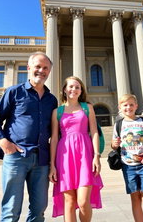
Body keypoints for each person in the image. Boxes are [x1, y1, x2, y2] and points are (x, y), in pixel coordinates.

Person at [0, 52, 58, 222]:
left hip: (41, 160)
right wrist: (3, 142)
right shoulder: (14, 92)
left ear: (49, 72)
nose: (41, 70)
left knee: (39, 209)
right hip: (16, 157)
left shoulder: (52, 100)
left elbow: (55, 131)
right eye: (38, 67)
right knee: (11, 209)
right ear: (29, 68)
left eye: (45, 68)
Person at [49, 76, 103, 221]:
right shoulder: (57, 112)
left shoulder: (87, 107)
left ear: (81, 91)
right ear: (65, 90)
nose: (74, 89)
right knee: (69, 202)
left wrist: (97, 156)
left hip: (85, 156)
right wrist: (52, 165)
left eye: (77, 87)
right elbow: (54, 139)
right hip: (64, 157)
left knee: (83, 202)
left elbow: (94, 132)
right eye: (71, 86)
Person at [111, 94, 143, 222]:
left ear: (136, 106)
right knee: (135, 198)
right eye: (125, 105)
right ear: (120, 107)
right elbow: (113, 144)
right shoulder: (118, 124)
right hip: (127, 166)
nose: (128, 107)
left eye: (131, 104)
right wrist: (114, 144)